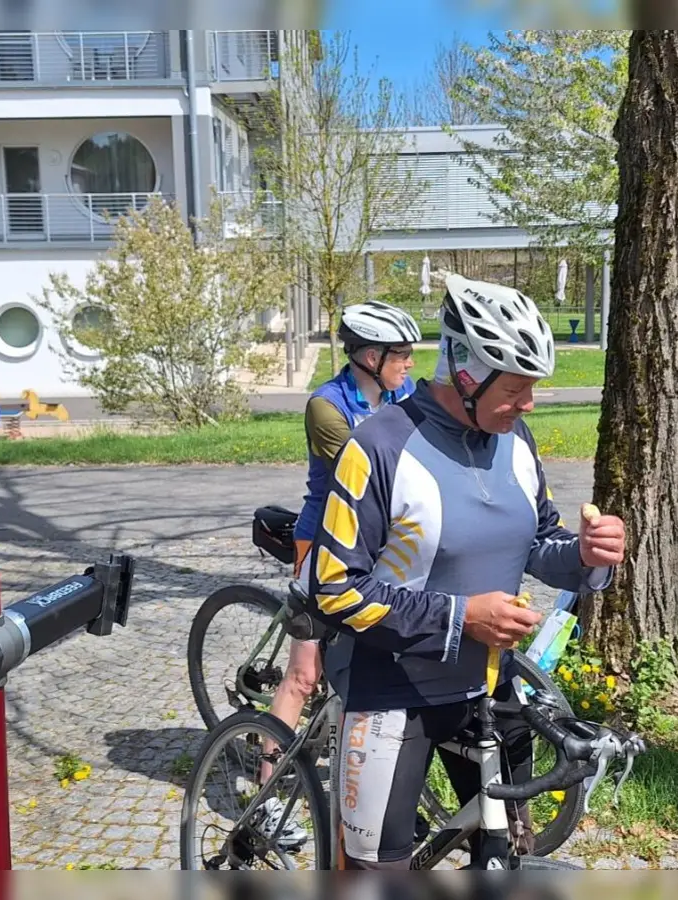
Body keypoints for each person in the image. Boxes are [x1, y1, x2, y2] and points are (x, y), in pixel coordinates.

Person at [303, 273, 626, 869]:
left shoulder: (515, 436)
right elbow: (333, 589)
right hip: (393, 688)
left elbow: (537, 541)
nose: (529, 403)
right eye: (517, 389)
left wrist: (583, 555)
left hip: (491, 685)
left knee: (504, 851)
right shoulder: (378, 447)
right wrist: (462, 616)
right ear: (466, 373)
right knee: (379, 872)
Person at [259, 300, 420, 846]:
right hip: (324, 546)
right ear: (369, 356)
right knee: (304, 676)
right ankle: (264, 801)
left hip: (383, 548)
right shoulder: (325, 407)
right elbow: (379, 471)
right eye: (401, 354)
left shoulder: (402, 394)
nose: (409, 363)